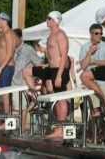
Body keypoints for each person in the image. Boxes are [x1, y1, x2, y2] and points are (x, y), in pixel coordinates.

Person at [38, 11, 71, 140]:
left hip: (59, 70)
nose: (47, 20)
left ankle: (61, 129)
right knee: (57, 99)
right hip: (53, 69)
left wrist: (59, 75)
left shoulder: (60, 35)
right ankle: (58, 128)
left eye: (49, 18)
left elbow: (64, 56)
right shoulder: (51, 35)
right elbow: (52, 55)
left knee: (61, 99)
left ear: (55, 21)